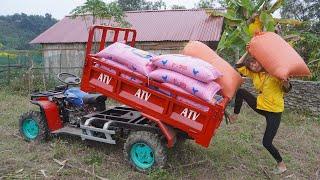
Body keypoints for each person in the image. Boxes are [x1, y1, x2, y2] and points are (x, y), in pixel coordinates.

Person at [229, 52, 292, 175]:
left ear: (260, 61)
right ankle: (235, 116)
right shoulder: (255, 74)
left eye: (254, 62)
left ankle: (281, 164)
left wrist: (285, 82)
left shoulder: (274, 72)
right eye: (251, 64)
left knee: (266, 142)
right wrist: (248, 52)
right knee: (241, 92)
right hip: (261, 105)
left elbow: (287, 88)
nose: (253, 65)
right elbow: (238, 66)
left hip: (274, 112)